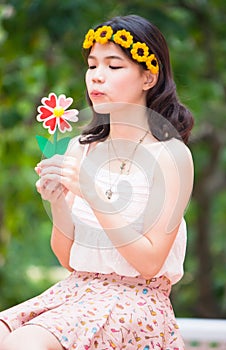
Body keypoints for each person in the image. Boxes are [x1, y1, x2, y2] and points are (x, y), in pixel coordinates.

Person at [0, 14, 194, 350]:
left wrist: (93, 192)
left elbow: (150, 262)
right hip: (75, 292)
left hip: (135, 301)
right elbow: (66, 257)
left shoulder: (171, 155)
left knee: (24, 344)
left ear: (148, 77)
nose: (97, 76)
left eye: (114, 66)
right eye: (92, 65)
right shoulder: (80, 148)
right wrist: (58, 202)